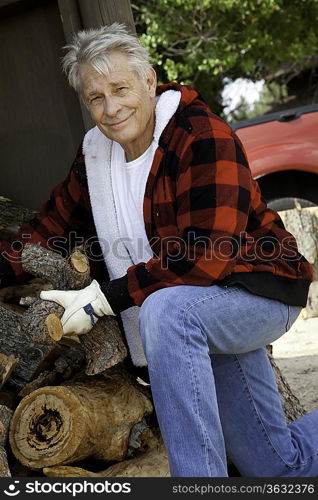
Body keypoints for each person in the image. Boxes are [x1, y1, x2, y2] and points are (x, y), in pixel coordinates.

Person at [0, 23, 317, 478]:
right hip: (195, 310)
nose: (111, 109)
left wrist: (106, 298)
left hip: (259, 289)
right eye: (96, 98)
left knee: (166, 311)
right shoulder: (97, 155)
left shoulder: (201, 135)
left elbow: (207, 254)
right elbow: (51, 226)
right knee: (276, 467)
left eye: (120, 88)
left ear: (149, 81)